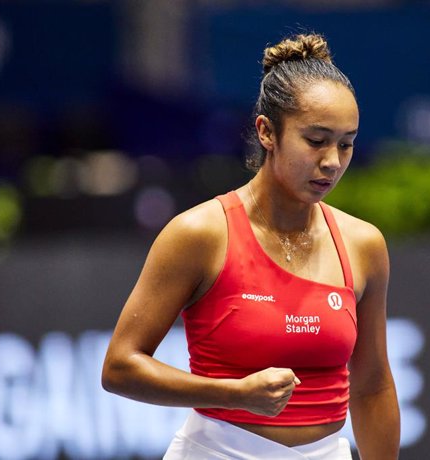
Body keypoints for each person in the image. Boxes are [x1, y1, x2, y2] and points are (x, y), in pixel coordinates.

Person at [102, 33, 400, 460]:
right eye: (316, 140)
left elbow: (372, 385)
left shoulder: (363, 244)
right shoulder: (199, 234)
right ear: (266, 132)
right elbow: (120, 367)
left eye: (346, 143)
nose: (332, 161)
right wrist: (234, 394)